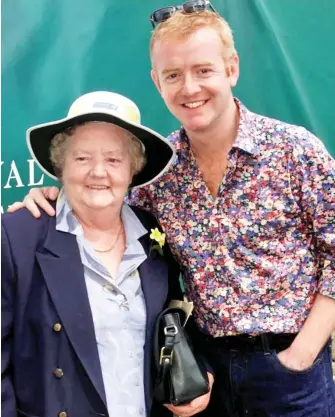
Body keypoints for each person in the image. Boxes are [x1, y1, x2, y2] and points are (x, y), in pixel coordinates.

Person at [8, 4, 335, 417]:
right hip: (206, 376)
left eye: (203, 70)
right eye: (173, 75)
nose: (189, 88)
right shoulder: (159, 176)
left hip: (290, 372)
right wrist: (51, 199)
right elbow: (103, 204)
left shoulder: (295, 151)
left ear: (231, 69)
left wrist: (301, 355)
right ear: (156, 82)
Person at [1, 91, 214, 417]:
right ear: (61, 167)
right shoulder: (17, 235)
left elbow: (176, 321)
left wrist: (199, 371)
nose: (98, 172)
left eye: (114, 159)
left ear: (132, 171)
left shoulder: (153, 236)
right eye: (82, 158)